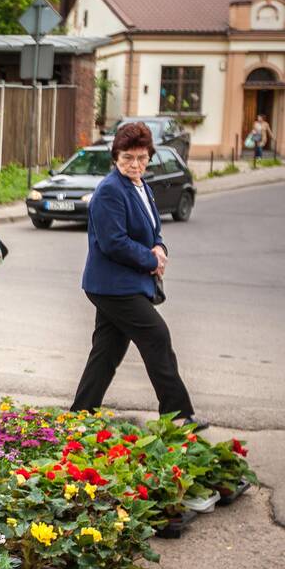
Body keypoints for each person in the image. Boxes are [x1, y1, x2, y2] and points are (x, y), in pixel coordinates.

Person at [71, 121, 197, 425]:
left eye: (141, 158)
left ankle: (78, 416)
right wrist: (151, 260)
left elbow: (153, 230)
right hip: (112, 285)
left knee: (107, 351)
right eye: (128, 158)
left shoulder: (142, 187)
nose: (135, 164)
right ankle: (178, 415)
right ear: (116, 156)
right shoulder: (110, 191)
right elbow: (114, 243)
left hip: (124, 284)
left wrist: (160, 248)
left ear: (149, 157)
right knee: (156, 335)